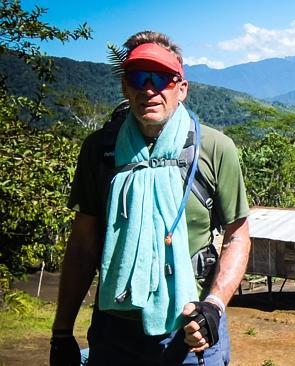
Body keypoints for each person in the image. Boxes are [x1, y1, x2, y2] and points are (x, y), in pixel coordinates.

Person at [49, 31, 250, 366]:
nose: (149, 89)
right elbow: (83, 246)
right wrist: (61, 332)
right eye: (138, 78)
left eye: (162, 79)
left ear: (182, 88)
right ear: (125, 87)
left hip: (192, 327)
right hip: (115, 330)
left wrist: (213, 306)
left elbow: (238, 235)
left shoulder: (214, 148)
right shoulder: (100, 150)